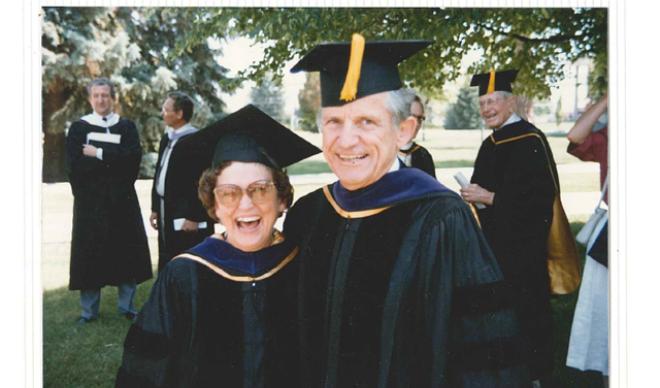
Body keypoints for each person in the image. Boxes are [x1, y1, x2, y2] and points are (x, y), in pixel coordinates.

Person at [286, 34, 529, 387]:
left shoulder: (441, 219)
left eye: (366, 122)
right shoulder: (308, 215)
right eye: (334, 122)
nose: (347, 139)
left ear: (404, 131)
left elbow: (483, 350)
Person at [115, 104, 321, 387]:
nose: (245, 204)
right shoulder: (184, 275)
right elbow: (146, 369)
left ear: (282, 199)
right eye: (229, 194)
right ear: (213, 205)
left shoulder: (305, 268)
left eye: (260, 189)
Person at [460, 69, 556, 386]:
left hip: (524, 250)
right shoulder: (490, 144)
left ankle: (535, 377)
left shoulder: (531, 140)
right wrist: (473, 197)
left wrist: (490, 197)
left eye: (493, 102)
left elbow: (542, 200)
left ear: (511, 102)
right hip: (493, 247)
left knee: (527, 312)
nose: (487, 109)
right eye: (483, 103)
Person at [65, 77, 152, 324]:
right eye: (96, 96)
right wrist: (113, 163)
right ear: (90, 99)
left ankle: (126, 307)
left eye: (105, 95)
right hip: (90, 204)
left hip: (121, 201)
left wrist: (99, 154)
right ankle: (88, 312)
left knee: (125, 251)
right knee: (90, 253)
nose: (101, 100)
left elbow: (132, 160)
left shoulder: (126, 127)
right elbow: (75, 166)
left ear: (113, 98)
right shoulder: (80, 128)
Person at [565, 93, 609, 384]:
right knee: (610, 320)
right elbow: (576, 135)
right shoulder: (612, 135)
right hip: (617, 231)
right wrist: (608, 98)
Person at [150, 91, 213, 272]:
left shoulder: (196, 141)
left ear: (179, 114)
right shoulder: (167, 138)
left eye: (166, 109)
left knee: (188, 258)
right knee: (168, 254)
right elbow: (159, 173)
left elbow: (203, 182)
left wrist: (195, 216)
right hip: (165, 208)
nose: (162, 113)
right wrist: (155, 207)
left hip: (187, 214)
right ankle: (169, 296)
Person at [398, 94, 436, 177]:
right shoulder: (381, 153)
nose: (416, 123)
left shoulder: (423, 155)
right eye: (412, 117)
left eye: (420, 118)